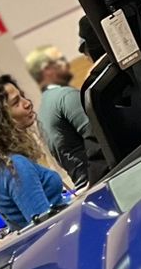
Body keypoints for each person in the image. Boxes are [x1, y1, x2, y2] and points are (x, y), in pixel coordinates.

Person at [0, 76, 68, 234]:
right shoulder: (16, 167)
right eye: (16, 103)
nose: (27, 103)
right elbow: (47, 227)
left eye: (22, 96)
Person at [26, 47, 95, 187]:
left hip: (85, 183)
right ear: (47, 69)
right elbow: (99, 135)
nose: (67, 64)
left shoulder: (43, 107)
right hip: (100, 176)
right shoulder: (66, 96)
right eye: (61, 60)